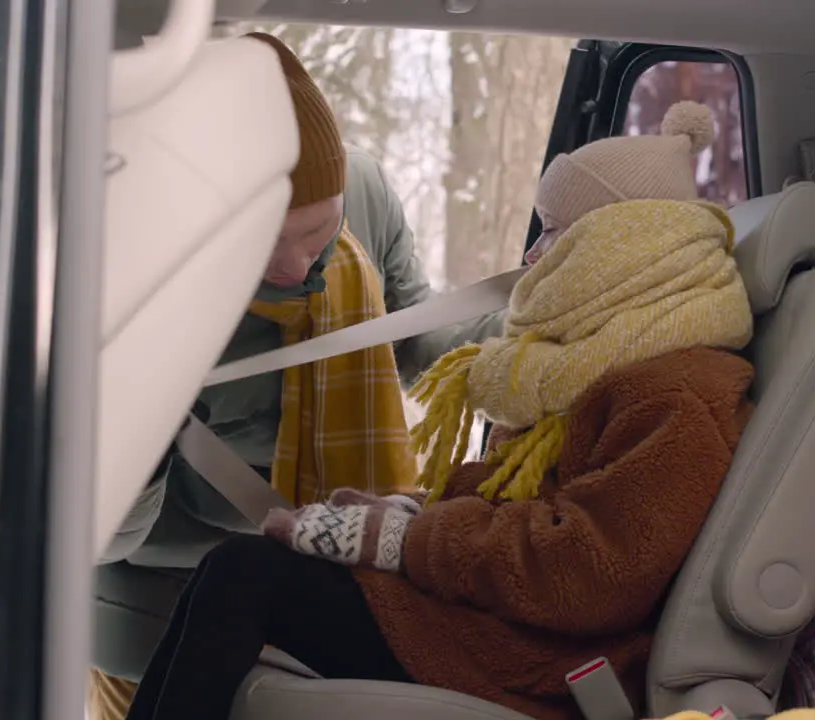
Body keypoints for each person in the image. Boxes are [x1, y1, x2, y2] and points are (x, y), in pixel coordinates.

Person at [123, 102, 761, 720]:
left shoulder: (675, 394)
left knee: (246, 576)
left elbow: (593, 572)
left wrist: (409, 540)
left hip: (547, 662)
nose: (534, 256)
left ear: (620, 247)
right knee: (237, 568)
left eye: (555, 233)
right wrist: (409, 515)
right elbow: (532, 512)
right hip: (508, 628)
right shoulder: (596, 366)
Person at [88, 33, 504, 718]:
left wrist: (527, 336)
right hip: (154, 594)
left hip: (318, 572)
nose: (293, 264)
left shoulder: (363, 191)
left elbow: (416, 336)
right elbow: (105, 535)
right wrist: (149, 411)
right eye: (263, 240)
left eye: (317, 231)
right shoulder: (139, 267)